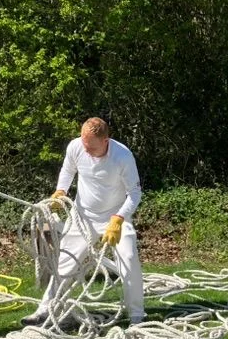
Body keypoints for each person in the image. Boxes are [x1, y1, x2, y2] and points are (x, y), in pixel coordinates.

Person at [21, 116, 145, 327]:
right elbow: (68, 170)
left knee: (129, 260)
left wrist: (118, 219)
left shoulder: (122, 156)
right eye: (84, 143)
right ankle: (44, 310)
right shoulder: (77, 146)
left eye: (91, 147)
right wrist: (61, 191)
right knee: (65, 264)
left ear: (106, 141)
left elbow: (134, 193)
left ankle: (137, 316)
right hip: (83, 216)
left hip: (116, 216)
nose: (85, 150)